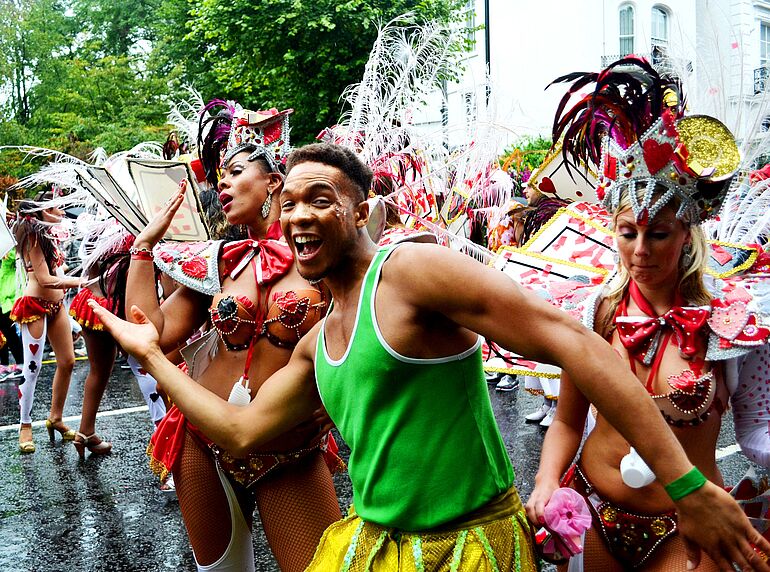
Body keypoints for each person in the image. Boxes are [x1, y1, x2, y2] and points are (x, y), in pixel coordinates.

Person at [91, 141, 770, 571]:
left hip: (469, 549)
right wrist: (151, 355)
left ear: (361, 213)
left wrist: (690, 488)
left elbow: (577, 345)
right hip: (381, 549)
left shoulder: (413, 272)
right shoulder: (317, 341)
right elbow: (240, 430)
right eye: (290, 200)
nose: (299, 214)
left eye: (321, 199)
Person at [527, 57, 770, 570]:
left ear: (688, 235)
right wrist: (547, 482)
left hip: (687, 527)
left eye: (658, 233)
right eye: (627, 232)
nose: (640, 250)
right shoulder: (596, 311)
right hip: (594, 514)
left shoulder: (733, 324)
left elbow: (757, 433)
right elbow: (568, 421)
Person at [124, 103, 342, 572]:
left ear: (274, 183)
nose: (221, 183)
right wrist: (143, 247)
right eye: (219, 175)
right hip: (202, 437)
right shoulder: (220, 261)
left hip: (288, 444)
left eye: (237, 171)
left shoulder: (321, 253)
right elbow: (153, 332)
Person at [11, 199, 84, 453]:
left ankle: (56, 418)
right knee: (32, 369)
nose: (62, 212)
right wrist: (82, 281)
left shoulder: (50, 236)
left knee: (67, 361)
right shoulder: (31, 237)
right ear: (42, 212)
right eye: (56, 209)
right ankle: (25, 425)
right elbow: (45, 279)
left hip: (57, 306)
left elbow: (57, 273)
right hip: (34, 306)